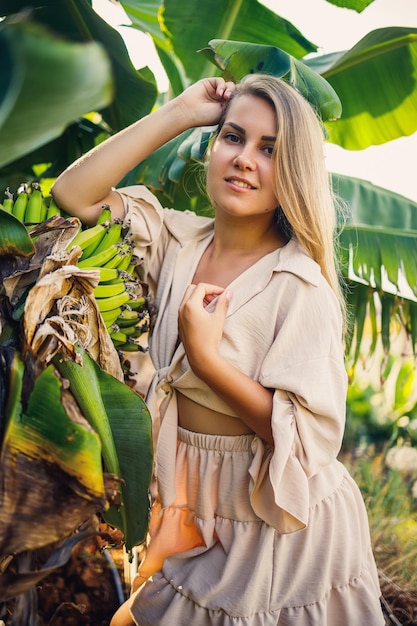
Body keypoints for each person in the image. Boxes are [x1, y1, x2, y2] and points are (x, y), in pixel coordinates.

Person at [51, 74, 385, 626]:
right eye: (233, 137)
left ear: (295, 173)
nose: (244, 159)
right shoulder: (175, 242)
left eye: (270, 149)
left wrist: (209, 363)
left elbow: (304, 447)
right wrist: (180, 112)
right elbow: (73, 195)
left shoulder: (297, 284)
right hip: (197, 508)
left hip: (277, 524)